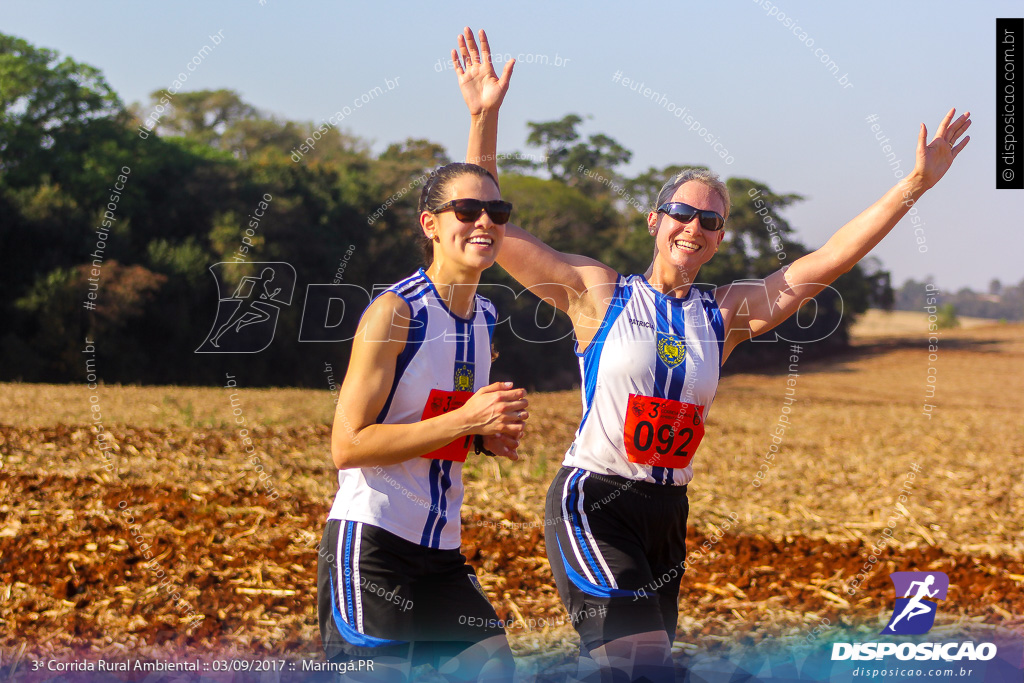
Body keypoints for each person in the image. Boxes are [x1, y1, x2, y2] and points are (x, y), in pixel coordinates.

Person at [450, 26, 971, 682]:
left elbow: (828, 259)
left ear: (720, 237)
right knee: (630, 660)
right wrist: (483, 115)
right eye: (681, 213)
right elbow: (489, 225)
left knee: (645, 665)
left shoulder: (724, 314)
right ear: (654, 220)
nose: (693, 228)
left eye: (711, 221)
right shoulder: (598, 293)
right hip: (595, 500)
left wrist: (914, 186)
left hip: (668, 515)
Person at [317, 160, 529, 682]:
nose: (484, 222)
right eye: (466, 209)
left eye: (497, 211)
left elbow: (427, 418)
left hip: (441, 553)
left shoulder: (485, 318)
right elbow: (347, 446)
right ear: (430, 224)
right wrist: (464, 421)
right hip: (374, 545)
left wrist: (483, 436)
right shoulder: (394, 312)